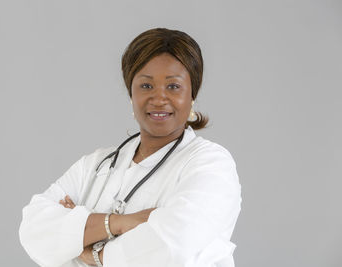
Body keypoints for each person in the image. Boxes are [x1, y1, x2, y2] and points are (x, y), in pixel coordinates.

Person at [19, 27, 242, 267]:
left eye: (173, 86)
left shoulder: (211, 164)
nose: (158, 98)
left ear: (192, 95)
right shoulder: (96, 164)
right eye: (146, 86)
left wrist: (87, 249)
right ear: (131, 94)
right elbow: (33, 229)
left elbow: (171, 247)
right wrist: (119, 223)